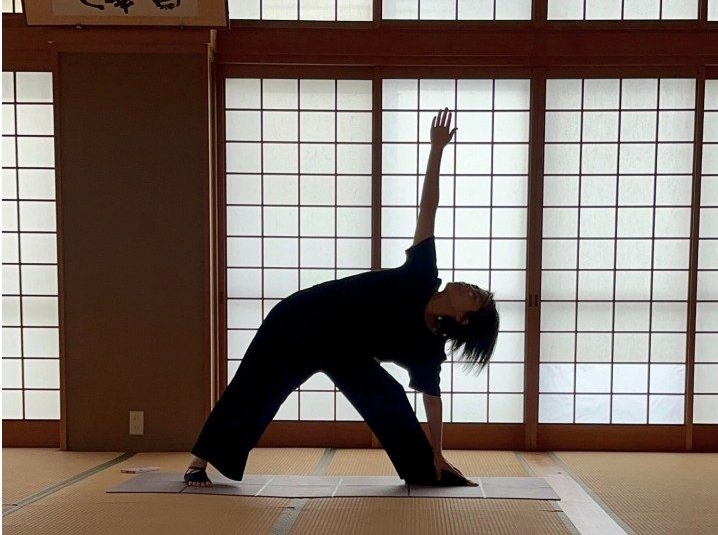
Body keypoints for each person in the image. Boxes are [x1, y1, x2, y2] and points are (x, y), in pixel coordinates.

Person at [184, 107, 500, 488]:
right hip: (303, 319)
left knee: (388, 395)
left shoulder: (426, 346)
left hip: (346, 349)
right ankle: (199, 461)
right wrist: (436, 150)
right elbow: (427, 210)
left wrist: (439, 453)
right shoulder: (422, 275)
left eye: (475, 297)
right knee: (257, 387)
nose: (470, 288)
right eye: (475, 288)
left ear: (463, 319)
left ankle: (425, 469)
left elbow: (432, 399)